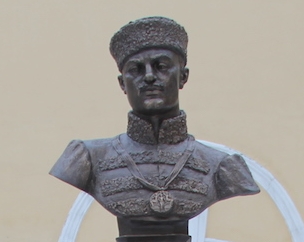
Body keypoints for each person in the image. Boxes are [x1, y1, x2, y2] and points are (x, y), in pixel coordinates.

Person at [50, 16, 259, 230]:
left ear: (183, 77)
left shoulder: (222, 167)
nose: (149, 77)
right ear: (122, 83)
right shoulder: (85, 159)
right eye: (136, 70)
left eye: (161, 66)